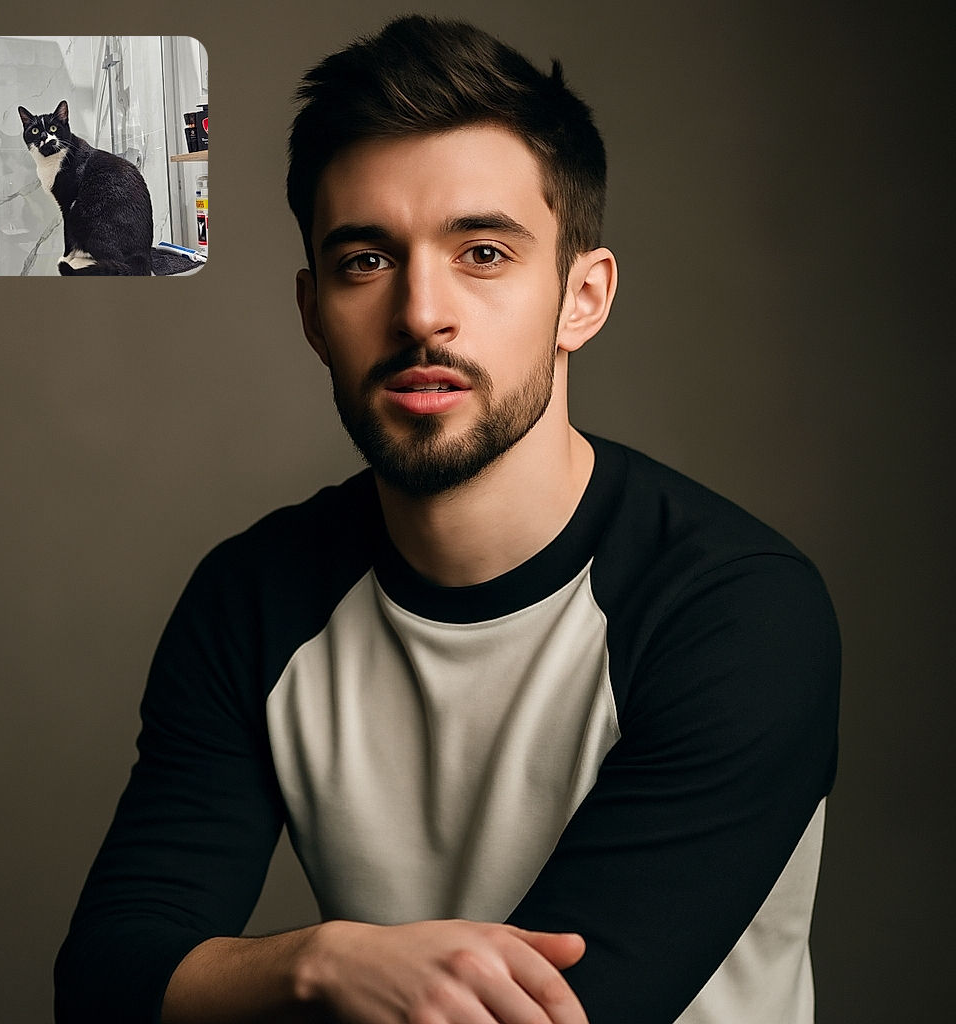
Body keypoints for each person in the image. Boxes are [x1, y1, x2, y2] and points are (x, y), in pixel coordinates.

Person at [54, 15, 840, 1024]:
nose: (422, 311)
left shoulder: (736, 611)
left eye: (482, 251)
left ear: (581, 298)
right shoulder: (254, 599)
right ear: (312, 315)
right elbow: (108, 981)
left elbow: (553, 1014)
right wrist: (318, 963)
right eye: (365, 261)